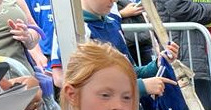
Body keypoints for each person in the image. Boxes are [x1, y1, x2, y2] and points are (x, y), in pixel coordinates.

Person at [49, 0, 179, 97]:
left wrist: (157, 64)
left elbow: (129, 71)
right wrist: (139, 87)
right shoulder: (72, 31)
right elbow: (68, 80)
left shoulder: (112, 23)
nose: (115, 0)